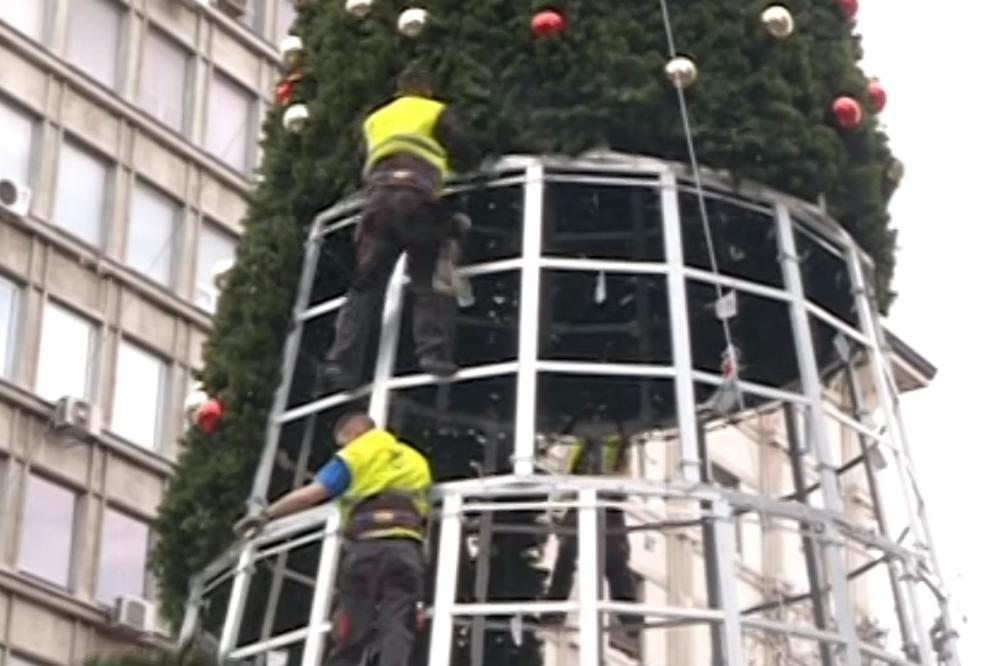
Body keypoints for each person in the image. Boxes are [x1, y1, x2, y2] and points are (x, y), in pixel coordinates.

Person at [318, 63, 481, 393]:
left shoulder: (375, 120)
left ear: (399, 90)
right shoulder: (435, 111)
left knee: (365, 285)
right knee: (427, 279)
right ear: (428, 89)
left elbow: (362, 160)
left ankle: (341, 363)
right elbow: (463, 148)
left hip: (377, 203)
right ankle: (432, 355)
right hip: (418, 199)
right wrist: (472, 167)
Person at [235, 413, 432, 666]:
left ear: (353, 435)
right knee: (398, 624)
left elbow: (311, 494)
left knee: (350, 625)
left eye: (343, 443)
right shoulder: (415, 460)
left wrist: (266, 515)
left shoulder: (356, 453)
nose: (343, 449)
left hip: (368, 548)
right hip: (406, 548)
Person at [541, 422, 641, 636]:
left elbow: (622, 473)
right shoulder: (587, 440)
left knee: (613, 561)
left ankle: (629, 617)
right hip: (582, 503)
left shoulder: (617, 440)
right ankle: (554, 611)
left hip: (605, 504)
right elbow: (570, 472)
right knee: (569, 557)